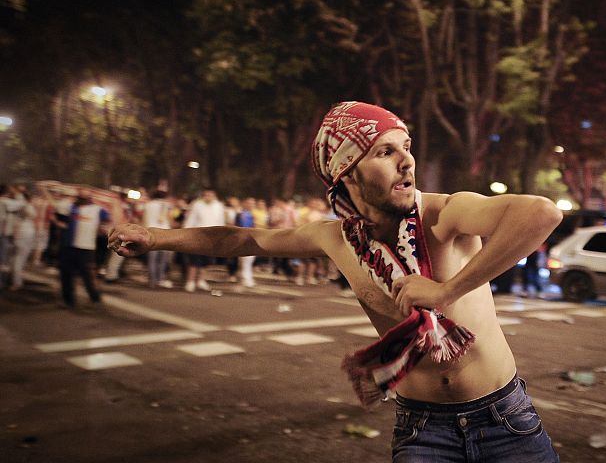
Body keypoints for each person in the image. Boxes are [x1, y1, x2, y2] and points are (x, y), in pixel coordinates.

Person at [109, 101, 563, 462]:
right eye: (385, 152)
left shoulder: (445, 214)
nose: (407, 161)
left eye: (406, 146)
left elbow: (540, 214)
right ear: (346, 173)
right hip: (423, 429)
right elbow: (243, 238)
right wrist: (155, 237)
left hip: (505, 418)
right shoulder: (335, 239)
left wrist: (447, 290)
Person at [59, 189, 108, 307]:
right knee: (66, 274)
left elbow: (107, 221)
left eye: (84, 198)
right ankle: (68, 300)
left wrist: (103, 229)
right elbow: (59, 210)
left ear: (90, 198)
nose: (82, 200)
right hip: (69, 245)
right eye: (80, 197)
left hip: (87, 247)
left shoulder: (98, 209)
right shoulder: (71, 207)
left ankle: (95, 298)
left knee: (88, 275)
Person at [181, 188, 225, 292]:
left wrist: (221, 235)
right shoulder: (197, 204)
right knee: (194, 261)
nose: (208, 197)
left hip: (211, 237)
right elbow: (190, 219)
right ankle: (190, 281)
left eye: (210, 195)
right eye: (206, 195)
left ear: (214, 195)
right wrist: (185, 233)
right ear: (203, 195)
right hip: (197, 235)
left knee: (206, 261)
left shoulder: (219, 206)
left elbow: (220, 221)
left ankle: (201, 280)